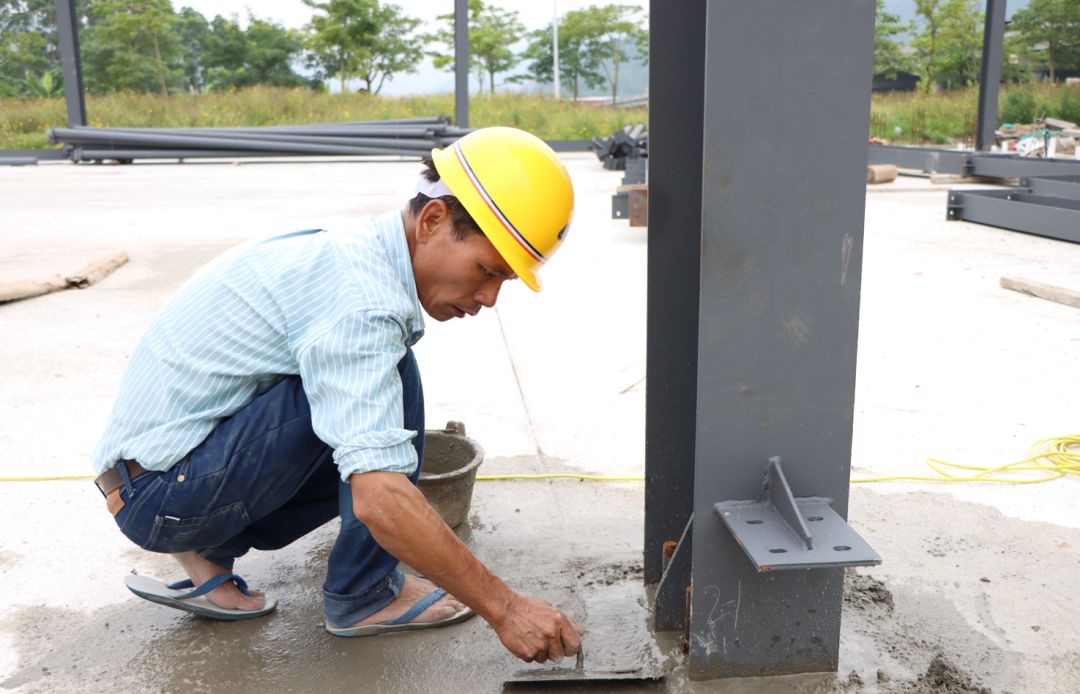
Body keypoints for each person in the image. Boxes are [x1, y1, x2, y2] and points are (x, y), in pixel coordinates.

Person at [90, 127, 583, 663]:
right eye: (487, 270)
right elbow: (379, 497)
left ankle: (209, 549)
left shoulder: (358, 249)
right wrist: (505, 608)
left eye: (506, 280)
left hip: (150, 477)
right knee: (383, 395)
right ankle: (365, 595)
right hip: (163, 497)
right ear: (432, 220)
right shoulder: (362, 303)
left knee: (380, 384)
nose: (489, 297)